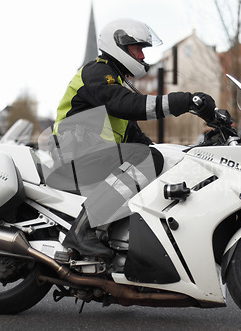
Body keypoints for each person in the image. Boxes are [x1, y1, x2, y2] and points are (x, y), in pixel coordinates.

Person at [52, 19, 216, 258]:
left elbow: (138, 138)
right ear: (119, 46)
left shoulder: (117, 82)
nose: (141, 55)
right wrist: (185, 101)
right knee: (148, 160)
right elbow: (127, 104)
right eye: (137, 48)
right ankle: (81, 230)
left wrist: (192, 152)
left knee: (157, 159)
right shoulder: (98, 72)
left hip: (91, 157)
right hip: (73, 156)